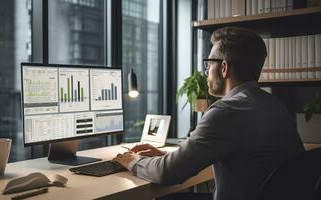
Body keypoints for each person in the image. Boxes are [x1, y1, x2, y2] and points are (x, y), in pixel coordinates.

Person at [113, 27, 304, 200]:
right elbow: (241, 154)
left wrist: (132, 160)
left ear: (223, 68)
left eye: (209, 63)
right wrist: (167, 155)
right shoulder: (274, 104)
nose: (206, 72)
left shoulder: (227, 110)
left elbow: (168, 174)